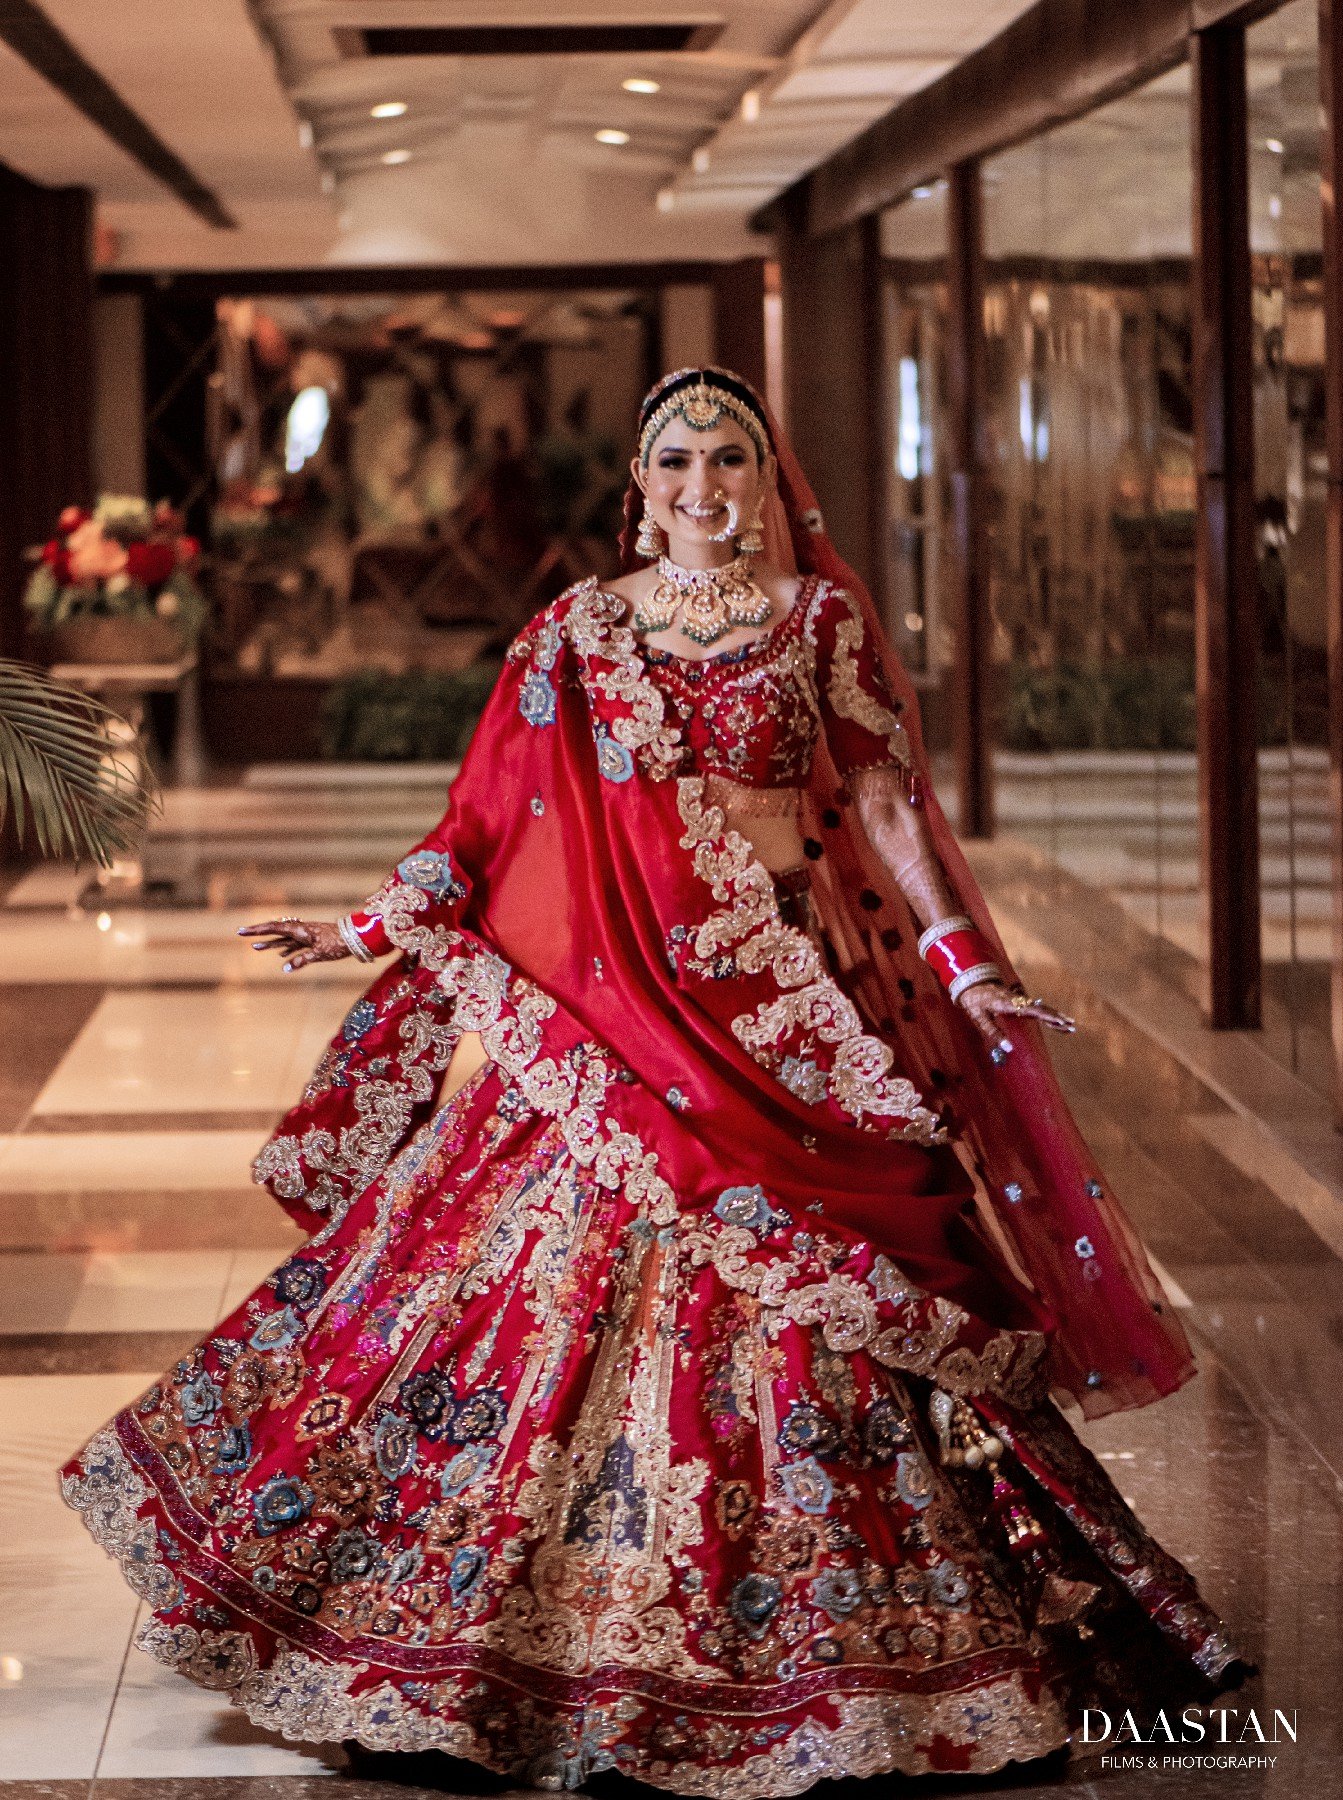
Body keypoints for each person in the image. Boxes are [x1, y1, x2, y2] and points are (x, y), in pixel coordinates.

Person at [61, 366, 1247, 1796]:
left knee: (858, 1281)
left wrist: (960, 960)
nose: (703, 486)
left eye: (729, 457)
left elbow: (884, 801)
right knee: (510, 1289)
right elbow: (482, 819)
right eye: (676, 460)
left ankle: (874, 1646)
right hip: (620, 1026)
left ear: (767, 477)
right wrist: (364, 928)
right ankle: (500, 1639)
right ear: (641, 484)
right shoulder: (579, 631)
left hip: (784, 1014)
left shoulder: (818, 623)